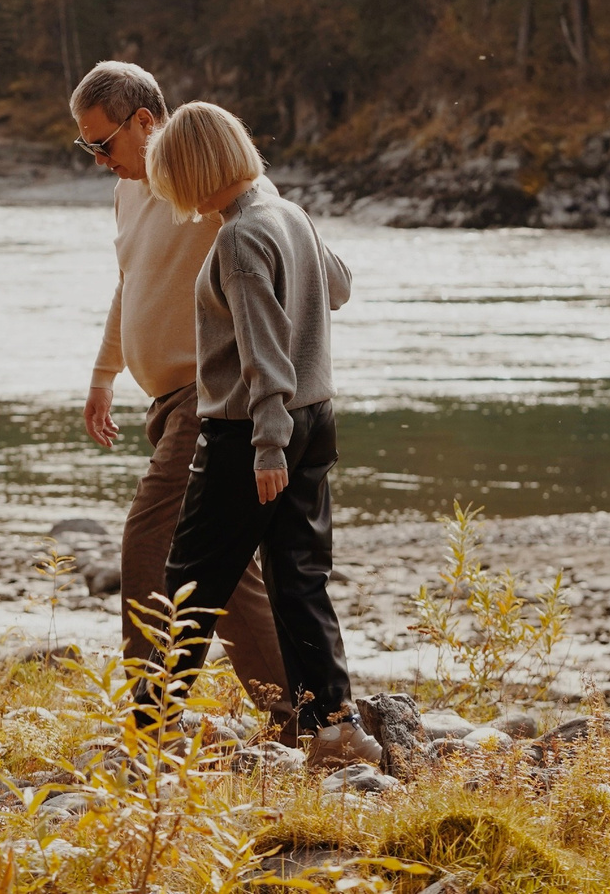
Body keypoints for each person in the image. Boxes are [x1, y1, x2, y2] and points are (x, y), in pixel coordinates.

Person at [143, 99, 378, 770]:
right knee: (301, 577)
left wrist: (267, 444)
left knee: (191, 579)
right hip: (317, 416)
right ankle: (336, 726)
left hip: (252, 428)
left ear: (189, 169)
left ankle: (150, 728)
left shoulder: (240, 236)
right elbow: (338, 284)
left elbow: (261, 351)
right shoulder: (286, 213)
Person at [69, 61, 291, 726]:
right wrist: (104, 373)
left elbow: (271, 226)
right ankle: (305, 718)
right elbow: (130, 283)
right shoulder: (129, 190)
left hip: (211, 395)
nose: (99, 159)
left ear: (145, 121)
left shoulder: (201, 175)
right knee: (227, 576)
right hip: (167, 403)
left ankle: (150, 719)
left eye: (103, 143)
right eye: (86, 147)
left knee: (150, 539)